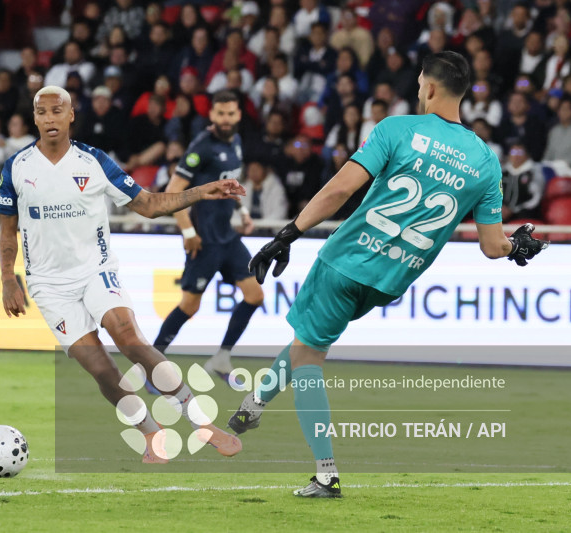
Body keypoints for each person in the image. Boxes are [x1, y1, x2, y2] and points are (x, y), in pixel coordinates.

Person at [227, 51, 548, 498]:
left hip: (345, 261)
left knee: (308, 360)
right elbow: (494, 247)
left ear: (430, 87)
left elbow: (340, 188)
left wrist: (286, 235)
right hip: (389, 281)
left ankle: (325, 473)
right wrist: (519, 246)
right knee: (309, 339)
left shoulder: (397, 129)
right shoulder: (485, 161)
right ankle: (254, 404)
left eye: (419, 82)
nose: (417, 89)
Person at [0, 86, 244, 464]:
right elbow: (7, 231)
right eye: (42, 112)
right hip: (49, 286)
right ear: (34, 118)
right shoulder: (16, 167)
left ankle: (201, 423)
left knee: (126, 334)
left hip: (96, 270)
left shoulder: (93, 162)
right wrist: (8, 279)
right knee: (100, 368)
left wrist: (204, 190)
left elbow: (148, 204)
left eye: (57, 111)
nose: (50, 119)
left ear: (71, 115)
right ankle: (151, 434)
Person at [153, 91, 263, 381]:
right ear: (212, 115)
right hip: (204, 239)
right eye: (220, 114)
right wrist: (188, 231)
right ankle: (151, 366)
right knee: (190, 305)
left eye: (230, 114)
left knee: (255, 295)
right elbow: (171, 194)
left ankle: (221, 359)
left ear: (238, 115)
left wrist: (243, 212)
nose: (225, 119)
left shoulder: (236, 143)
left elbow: (231, 183)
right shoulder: (201, 147)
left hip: (227, 236)